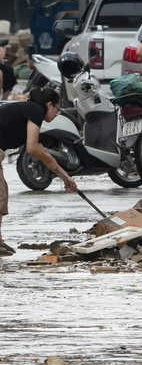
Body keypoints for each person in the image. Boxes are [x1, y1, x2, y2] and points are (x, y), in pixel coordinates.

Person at [0, 87, 78, 255]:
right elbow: (32, 148)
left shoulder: (28, 113)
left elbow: (43, 154)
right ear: (49, 105)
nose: (57, 114)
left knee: (2, 194)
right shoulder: (35, 110)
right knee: (0, 196)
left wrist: (66, 179)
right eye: (57, 109)